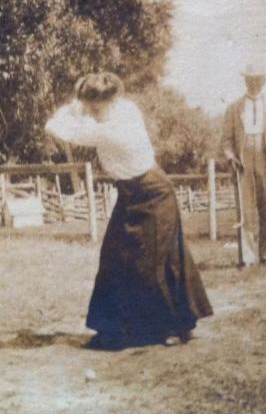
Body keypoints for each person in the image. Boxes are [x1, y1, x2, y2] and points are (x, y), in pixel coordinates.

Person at [45, 72, 213, 349]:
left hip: (154, 193)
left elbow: (59, 128)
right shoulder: (119, 107)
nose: (91, 112)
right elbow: (80, 110)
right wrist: (81, 102)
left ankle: (173, 327)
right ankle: (113, 329)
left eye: (96, 107)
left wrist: (70, 109)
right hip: (130, 194)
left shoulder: (111, 129)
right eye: (89, 106)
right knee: (113, 257)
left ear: (111, 101)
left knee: (154, 260)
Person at [222, 64, 266, 266]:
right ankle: (247, 257)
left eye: (258, 79)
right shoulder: (234, 108)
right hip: (243, 159)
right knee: (245, 208)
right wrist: (231, 156)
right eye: (250, 79)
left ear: (263, 81)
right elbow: (226, 140)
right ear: (245, 81)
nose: (254, 83)